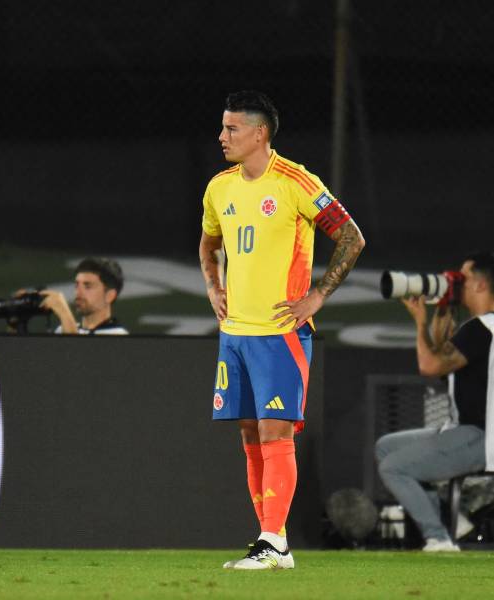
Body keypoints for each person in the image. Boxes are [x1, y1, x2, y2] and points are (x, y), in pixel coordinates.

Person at [199, 90, 365, 569]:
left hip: (280, 333)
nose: (222, 136)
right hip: (235, 334)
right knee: (250, 436)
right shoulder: (219, 187)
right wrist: (213, 288)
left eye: (231, 128)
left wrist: (316, 297)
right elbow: (209, 245)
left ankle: (273, 542)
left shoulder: (296, 182)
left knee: (276, 432)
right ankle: (273, 540)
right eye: (223, 126)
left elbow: (351, 238)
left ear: (260, 133)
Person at [375, 252, 494, 552]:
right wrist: (444, 306)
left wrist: (419, 323)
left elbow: (430, 366)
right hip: (471, 431)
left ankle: (439, 538)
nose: (456, 283)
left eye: (462, 279)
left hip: (480, 437)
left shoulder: (479, 329)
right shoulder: (483, 329)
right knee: (386, 446)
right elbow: (445, 350)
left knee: (393, 467)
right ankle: (453, 518)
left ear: (480, 286)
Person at [39, 257, 128, 335]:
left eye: (87, 286)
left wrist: (65, 314)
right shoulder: (62, 330)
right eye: (77, 285)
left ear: (110, 296)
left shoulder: (119, 337)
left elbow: (74, 353)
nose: (78, 292)